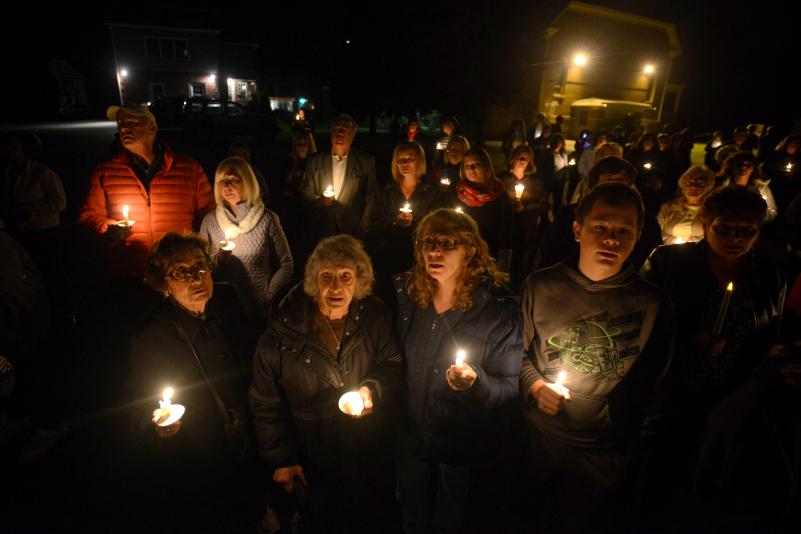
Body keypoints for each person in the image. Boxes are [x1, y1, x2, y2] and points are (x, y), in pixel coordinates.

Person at [520, 182, 673, 532]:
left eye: (623, 231)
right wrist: (535, 385)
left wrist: (635, 445)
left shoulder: (653, 305)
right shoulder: (541, 287)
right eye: (600, 227)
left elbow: (658, 384)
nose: (610, 239)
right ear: (578, 230)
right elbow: (518, 354)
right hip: (542, 439)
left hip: (606, 449)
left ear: (637, 238)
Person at [640, 186, 786, 517]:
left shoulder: (768, 275)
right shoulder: (669, 262)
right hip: (671, 393)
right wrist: (691, 337)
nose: (736, 239)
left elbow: (769, 333)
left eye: (747, 231)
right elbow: (642, 323)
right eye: (725, 229)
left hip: (730, 395)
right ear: (706, 222)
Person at [249, 235, 402, 532]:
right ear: (313, 281)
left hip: (365, 449)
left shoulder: (375, 316)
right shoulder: (282, 332)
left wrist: (372, 389)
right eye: (326, 277)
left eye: (345, 276)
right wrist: (282, 458)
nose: (335, 287)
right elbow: (265, 403)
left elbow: (391, 364)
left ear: (359, 281)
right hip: (311, 451)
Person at [393, 208, 522, 533]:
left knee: (452, 517)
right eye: (428, 242)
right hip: (411, 434)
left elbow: (509, 385)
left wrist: (476, 384)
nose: (434, 252)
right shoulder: (412, 298)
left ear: (471, 250)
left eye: (447, 243)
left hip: (460, 442)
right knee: (411, 512)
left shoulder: (497, 311)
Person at [124, 232, 259, 530]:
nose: (196, 279)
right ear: (165, 284)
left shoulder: (228, 301)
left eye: (200, 267)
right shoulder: (150, 338)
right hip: (202, 461)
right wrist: (156, 424)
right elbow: (137, 409)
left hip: (252, 445)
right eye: (181, 272)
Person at [78, 104, 213, 280]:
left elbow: (208, 216)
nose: (124, 127)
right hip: (129, 270)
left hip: (178, 271)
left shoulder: (188, 169)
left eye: (132, 122)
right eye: (120, 124)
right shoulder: (105, 172)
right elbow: (89, 217)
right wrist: (108, 230)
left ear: (153, 128)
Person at [200, 157, 293, 320]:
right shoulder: (210, 221)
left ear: (248, 182)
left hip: (259, 310)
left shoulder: (267, 219)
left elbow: (286, 264)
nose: (227, 186)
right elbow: (202, 266)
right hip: (223, 310)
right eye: (222, 180)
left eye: (233, 179)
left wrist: (268, 294)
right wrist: (219, 261)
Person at [536, 156, 663, 271]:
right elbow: (551, 252)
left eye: (620, 181)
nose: (613, 187)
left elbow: (651, 263)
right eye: (608, 181)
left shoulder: (647, 223)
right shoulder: (569, 215)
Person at [364, 140, 444, 307]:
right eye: (400, 159)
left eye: (410, 158)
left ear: (419, 161)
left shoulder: (430, 192)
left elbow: (436, 224)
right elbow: (374, 221)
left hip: (418, 260)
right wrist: (395, 222)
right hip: (388, 258)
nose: (404, 163)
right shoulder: (386, 190)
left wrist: (415, 224)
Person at [300, 114, 377, 239]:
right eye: (337, 129)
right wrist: (320, 200)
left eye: (345, 130)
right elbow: (306, 191)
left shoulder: (365, 161)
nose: (340, 133)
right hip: (323, 228)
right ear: (331, 134)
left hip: (352, 229)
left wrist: (364, 227)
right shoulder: (315, 161)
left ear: (352, 137)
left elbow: (371, 196)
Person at [448, 147, 513, 273]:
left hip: (489, 257)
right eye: (467, 165)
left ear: (486, 166)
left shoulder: (499, 195)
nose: (471, 169)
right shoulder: (455, 192)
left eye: (476, 164)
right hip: (458, 256)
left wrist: (502, 265)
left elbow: (506, 230)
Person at [499, 145, 551, 287]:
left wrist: (525, 209)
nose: (522, 160)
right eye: (519, 156)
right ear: (512, 159)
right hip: (505, 229)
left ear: (530, 162)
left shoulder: (535, 182)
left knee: (522, 263)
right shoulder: (501, 179)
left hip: (526, 230)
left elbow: (544, 206)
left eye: (526, 158)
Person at [657, 165, 716, 244]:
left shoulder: (712, 210)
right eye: (689, 183)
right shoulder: (668, 208)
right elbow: (657, 233)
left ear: (708, 188)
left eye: (700, 184)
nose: (694, 187)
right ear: (683, 187)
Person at [717, 151, 778, 222]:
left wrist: (759, 211)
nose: (743, 167)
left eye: (748, 164)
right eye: (739, 164)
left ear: (753, 168)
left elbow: (772, 213)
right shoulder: (721, 186)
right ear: (731, 167)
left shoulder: (761, 188)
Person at [762, 133, 801, 215]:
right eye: (794, 143)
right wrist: (780, 172)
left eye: (798, 143)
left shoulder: (798, 158)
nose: (796, 145)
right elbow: (766, 169)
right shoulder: (776, 156)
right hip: (776, 187)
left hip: (791, 189)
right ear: (786, 143)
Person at [537, 133, 570, 212]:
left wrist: (565, 175)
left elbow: (566, 166)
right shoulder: (547, 153)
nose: (557, 144)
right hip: (548, 180)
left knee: (558, 200)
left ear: (562, 144)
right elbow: (541, 166)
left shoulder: (563, 154)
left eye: (559, 142)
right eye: (555, 142)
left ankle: (556, 216)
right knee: (545, 200)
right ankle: (543, 217)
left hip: (559, 181)